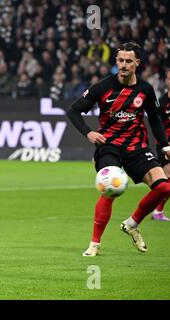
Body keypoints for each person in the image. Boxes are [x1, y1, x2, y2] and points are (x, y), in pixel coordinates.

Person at [66, 42, 170, 257]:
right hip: (109, 146)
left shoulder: (146, 89)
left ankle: (132, 224)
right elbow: (74, 110)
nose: (123, 65)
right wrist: (89, 133)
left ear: (137, 63)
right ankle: (95, 243)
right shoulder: (102, 87)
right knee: (110, 187)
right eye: (120, 60)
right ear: (116, 61)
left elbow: (155, 120)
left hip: (138, 147)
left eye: (128, 61)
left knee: (165, 188)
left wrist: (166, 146)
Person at [152, 69, 170, 221]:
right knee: (168, 176)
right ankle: (156, 209)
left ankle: (157, 210)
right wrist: (164, 145)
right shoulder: (162, 102)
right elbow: (156, 125)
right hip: (166, 145)